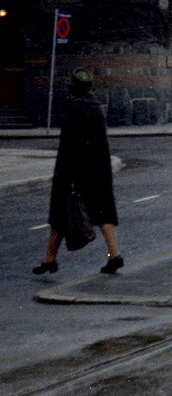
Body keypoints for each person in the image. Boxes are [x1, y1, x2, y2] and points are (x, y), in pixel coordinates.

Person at [33, 68, 123, 275]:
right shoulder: (97, 107)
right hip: (99, 171)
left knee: (59, 214)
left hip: (74, 172)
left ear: (72, 89)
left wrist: (67, 175)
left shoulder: (74, 109)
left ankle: (50, 259)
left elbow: (70, 145)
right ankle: (114, 255)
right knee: (104, 214)